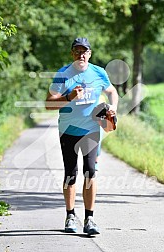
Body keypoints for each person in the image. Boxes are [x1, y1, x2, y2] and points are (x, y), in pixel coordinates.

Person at [46, 37, 118, 236]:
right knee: (70, 173)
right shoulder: (63, 74)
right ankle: (70, 216)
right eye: (77, 51)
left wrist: (112, 108)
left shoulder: (98, 73)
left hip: (91, 129)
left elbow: (112, 92)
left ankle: (89, 218)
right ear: (72, 54)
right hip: (68, 130)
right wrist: (69, 97)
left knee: (90, 172)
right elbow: (48, 103)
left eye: (84, 51)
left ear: (90, 53)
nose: (81, 55)